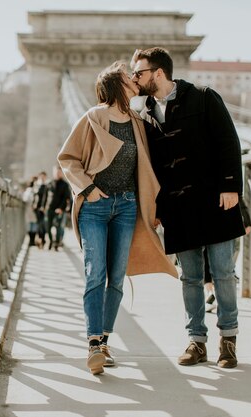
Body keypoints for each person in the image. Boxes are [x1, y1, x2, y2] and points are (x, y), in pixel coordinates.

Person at [58, 61, 177, 375]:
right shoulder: (92, 117)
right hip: (95, 207)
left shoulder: (138, 122)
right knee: (95, 274)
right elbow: (67, 158)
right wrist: (88, 189)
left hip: (127, 207)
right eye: (129, 77)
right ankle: (94, 343)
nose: (135, 80)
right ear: (116, 85)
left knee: (117, 278)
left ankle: (105, 342)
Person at [131, 47, 246, 368]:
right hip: (177, 207)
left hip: (215, 199)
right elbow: (150, 166)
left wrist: (230, 185)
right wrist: (154, 206)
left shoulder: (204, 96)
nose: (134, 79)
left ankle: (228, 341)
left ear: (157, 73)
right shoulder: (145, 113)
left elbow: (228, 141)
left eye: (138, 73)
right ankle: (196, 341)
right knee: (190, 277)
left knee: (223, 273)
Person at [205, 199, 251, 313]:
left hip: (210, 223)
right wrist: (248, 222)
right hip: (228, 224)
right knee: (224, 266)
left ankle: (209, 294)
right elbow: (238, 197)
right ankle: (215, 296)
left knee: (206, 259)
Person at [46, 165, 72, 250]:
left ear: (61, 173)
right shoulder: (49, 183)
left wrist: (61, 208)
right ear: (53, 173)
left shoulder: (65, 185)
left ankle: (56, 244)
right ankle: (50, 241)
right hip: (49, 209)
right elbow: (45, 197)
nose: (57, 173)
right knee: (48, 227)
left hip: (59, 209)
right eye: (56, 172)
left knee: (58, 227)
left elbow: (66, 198)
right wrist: (43, 207)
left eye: (59, 172)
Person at [32, 172, 49, 248]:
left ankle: (42, 239)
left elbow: (46, 197)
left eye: (44, 177)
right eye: (41, 177)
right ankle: (41, 239)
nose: (42, 178)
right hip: (36, 207)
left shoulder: (46, 186)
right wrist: (33, 204)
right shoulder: (36, 185)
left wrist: (43, 207)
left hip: (43, 208)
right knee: (39, 223)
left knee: (42, 224)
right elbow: (34, 196)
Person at [22, 176, 39, 247]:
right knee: (32, 224)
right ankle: (31, 241)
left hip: (32, 210)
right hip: (31, 209)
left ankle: (32, 241)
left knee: (32, 224)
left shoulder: (29, 190)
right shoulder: (31, 190)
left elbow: (24, 199)